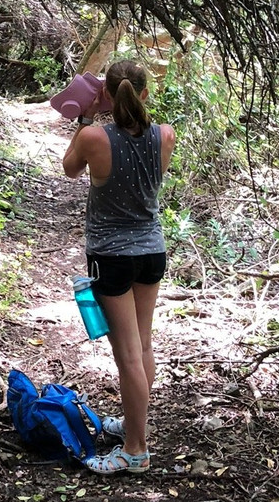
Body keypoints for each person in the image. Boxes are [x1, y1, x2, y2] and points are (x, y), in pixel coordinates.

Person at [61, 59, 176, 475]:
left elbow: (70, 169)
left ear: (106, 93)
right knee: (142, 346)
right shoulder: (165, 135)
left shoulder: (94, 136)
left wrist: (87, 115)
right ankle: (134, 423)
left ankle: (135, 450)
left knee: (127, 355)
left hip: (110, 256)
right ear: (145, 94)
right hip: (151, 251)